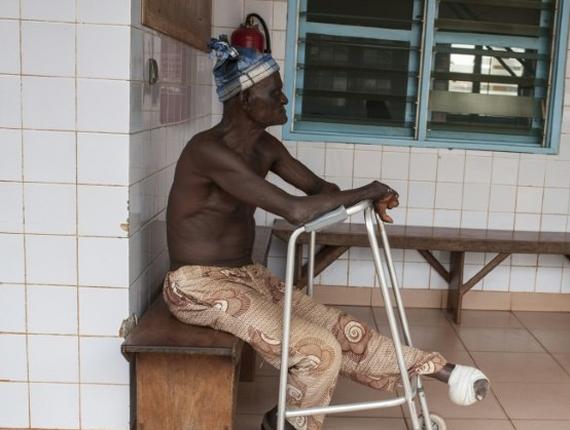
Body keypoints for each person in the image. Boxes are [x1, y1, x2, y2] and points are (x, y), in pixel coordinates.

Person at [162, 36, 489, 430]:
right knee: (319, 350)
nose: (283, 100)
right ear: (244, 100)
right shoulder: (207, 151)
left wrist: (365, 200)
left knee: (342, 330)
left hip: (246, 276)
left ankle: (441, 370)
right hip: (196, 286)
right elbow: (295, 210)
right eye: (275, 93)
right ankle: (284, 424)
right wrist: (368, 189)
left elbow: (322, 192)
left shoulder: (265, 147)